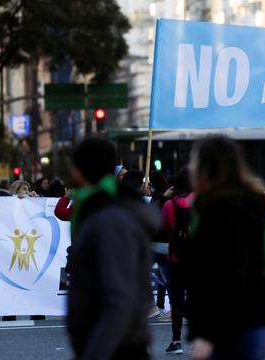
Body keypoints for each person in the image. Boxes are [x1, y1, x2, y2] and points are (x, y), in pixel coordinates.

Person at [67, 137, 160, 360]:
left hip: (117, 349)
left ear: (79, 171)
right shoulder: (101, 210)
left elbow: (118, 300)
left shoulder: (109, 217)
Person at [184, 136, 265, 360]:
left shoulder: (216, 211)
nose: (191, 167)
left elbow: (222, 276)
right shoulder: (252, 204)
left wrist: (207, 334)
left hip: (227, 328)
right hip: (256, 321)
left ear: (207, 168)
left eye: (195, 161)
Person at [161, 168, 194, 355]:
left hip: (176, 257)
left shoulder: (170, 204)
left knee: (177, 300)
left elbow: (163, 226)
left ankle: (176, 341)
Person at [149, 171, 174, 322]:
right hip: (162, 242)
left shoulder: (161, 198)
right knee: (163, 275)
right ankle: (159, 305)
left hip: (159, 243)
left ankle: (167, 307)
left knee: (165, 276)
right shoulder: (164, 197)